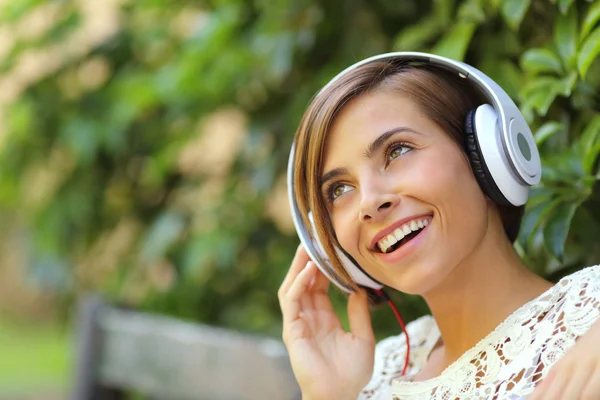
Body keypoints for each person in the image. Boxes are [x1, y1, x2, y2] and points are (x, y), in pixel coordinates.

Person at [278, 52, 600, 400]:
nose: (369, 203)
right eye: (339, 190)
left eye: (398, 151)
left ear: (486, 156)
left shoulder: (591, 326)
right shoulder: (373, 375)